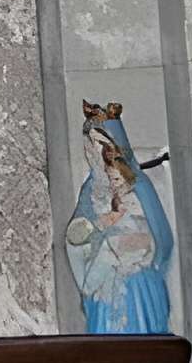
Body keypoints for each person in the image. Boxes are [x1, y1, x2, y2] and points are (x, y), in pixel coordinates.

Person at [65, 100, 174, 334]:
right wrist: (101, 230)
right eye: (92, 145)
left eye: (102, 144)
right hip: (105, 287)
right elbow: (75, 239)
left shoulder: (140, 185)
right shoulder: (91, 191)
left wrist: (141, 244)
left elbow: (162, 238)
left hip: (138, 285)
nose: (97, 151)